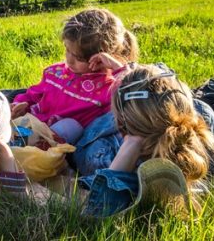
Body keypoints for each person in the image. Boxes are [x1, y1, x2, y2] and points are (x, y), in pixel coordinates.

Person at [80, 65, 214, 216]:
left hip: (123, 125)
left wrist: (131, 146)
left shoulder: (106, 154)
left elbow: (96, 212)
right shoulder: (213, 157)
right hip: (150, 113)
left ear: (120, 126)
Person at [10, 8, 139, 144]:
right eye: (67, 49)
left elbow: (134, 99)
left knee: (70, 126)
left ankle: (26, 147)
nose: (69, 60)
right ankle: (10, 143)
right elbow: (32, 94)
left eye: (79, 58)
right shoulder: (55, 72)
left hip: (58, 143)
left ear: (102, 57)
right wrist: (21, 104)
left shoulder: (108, 88)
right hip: (31, 126)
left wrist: (118, 68)